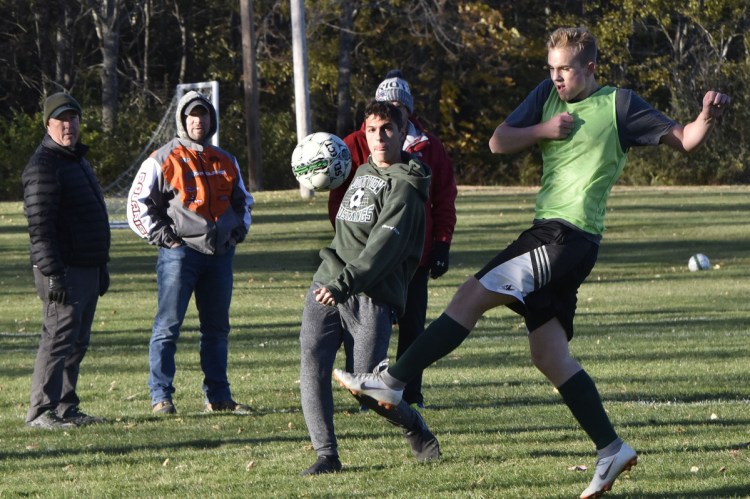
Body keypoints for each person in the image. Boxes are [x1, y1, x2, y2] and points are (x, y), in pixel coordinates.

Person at [334, 26, 731, 498]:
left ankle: (392, 383)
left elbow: (684, 140)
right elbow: (498, 142)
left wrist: (704, 115)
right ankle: (611, 449)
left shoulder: (620, 105)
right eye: (552, 69)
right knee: (548, 353)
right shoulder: (546, 95)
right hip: (552, 232)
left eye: (566, 69)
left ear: (591, 68)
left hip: (568, 235)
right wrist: (544, 129)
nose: (558, 78)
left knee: (471, 295)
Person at [299, 100, 439, 475]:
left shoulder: (407, 189)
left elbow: (383, 249)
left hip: (371, 294)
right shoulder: (360, 170)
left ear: (402, 132)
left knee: (369, 389)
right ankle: (326, 455)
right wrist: (334, 279)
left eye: (387, 129)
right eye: (372, 130)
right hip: (328, 283)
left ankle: (415, 427)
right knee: (312, 366)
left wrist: (345, 284)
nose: (379, 137)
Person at [328, 70, 457, 408]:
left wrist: (441, 243)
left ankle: (409, 392)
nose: (392, 109)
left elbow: (444, 198)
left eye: (399, 105)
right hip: (366, 255)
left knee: (413, 327)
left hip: (413, 256)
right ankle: (362, 388)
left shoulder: (430, 146)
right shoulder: (355, 141)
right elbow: (341, 194)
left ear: (407, 113)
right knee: (361, 324)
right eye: (386, 103)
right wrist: (347, 241)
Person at [127, 90, 254, 416]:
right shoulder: (161, 158)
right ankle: (161, 397)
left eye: (204, 114)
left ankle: (218, 397)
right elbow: (136, 206)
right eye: (192, 115)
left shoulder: (225, 158)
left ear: (211, 119)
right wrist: (165, 239)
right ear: (183, 120)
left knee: (217, 330)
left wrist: (238, 229)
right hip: (180, 256)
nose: (199, 120)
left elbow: (243, 201)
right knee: (168, 327)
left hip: (220, 256)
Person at [22, 92, 111, 429]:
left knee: (77, 341)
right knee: (58, 338)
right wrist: (53, 274)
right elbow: (40, 228)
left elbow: (91, 217)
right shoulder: (44, 167)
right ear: (48, 124)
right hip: (62, 270)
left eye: (73, 118)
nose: (68, 124)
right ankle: (41, 411)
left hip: (85, 267)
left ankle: (65, 405)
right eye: (60, 119)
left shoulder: (75, 160)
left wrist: (101, 265)